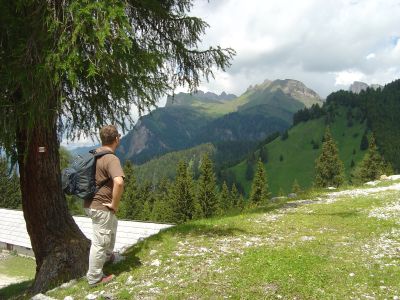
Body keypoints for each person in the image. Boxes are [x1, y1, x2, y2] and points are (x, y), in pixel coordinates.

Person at [84, 125, 125, 286]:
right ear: (116, 139)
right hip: (101, 206)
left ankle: (108, 257)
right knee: (100, 242)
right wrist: (114, 204)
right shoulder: (111, 158)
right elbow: (119, 182)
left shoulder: (94, 154)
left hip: (90, 202)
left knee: (112, 225)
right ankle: (95, 278)